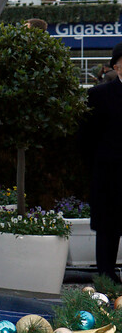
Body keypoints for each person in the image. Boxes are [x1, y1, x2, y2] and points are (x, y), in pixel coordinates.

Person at [81, 42, 122, 283]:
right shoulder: (99, 95)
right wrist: (95, 167)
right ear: (116, 67)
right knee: (108, 226)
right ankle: (105, 276)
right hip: (109, 171)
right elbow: (87, 137)